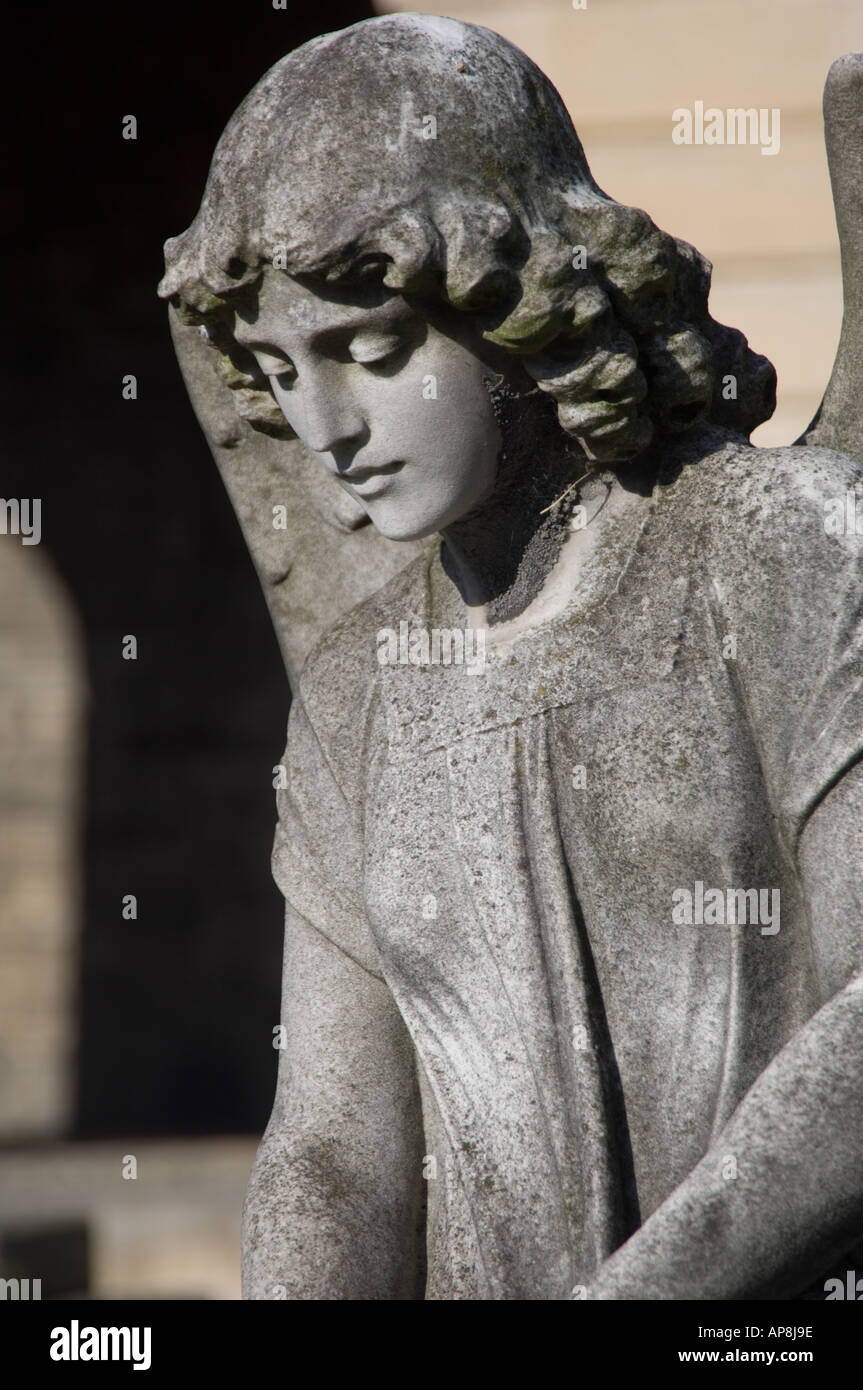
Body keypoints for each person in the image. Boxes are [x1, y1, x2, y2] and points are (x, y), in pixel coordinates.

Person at [160, 14, 863, 1299]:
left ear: (520, 305)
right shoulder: (357, 693)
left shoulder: (776, 554)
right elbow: (333, 1148)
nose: (324, 430)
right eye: (276, 369)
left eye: (371, 352)